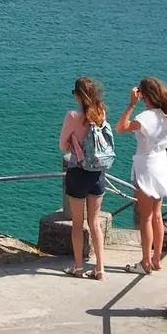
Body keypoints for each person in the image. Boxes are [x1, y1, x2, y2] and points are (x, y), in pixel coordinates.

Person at [116, 76, 167, 275]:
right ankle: (156, 259)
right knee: (157, 215)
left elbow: (120, 127)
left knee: (145, 218)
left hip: (147, 168)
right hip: (162, 167)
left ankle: (145, 262)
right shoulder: (165, 116)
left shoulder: (145, 117)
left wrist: (131, 104)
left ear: (143, 94)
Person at [58, 77, 111, 279]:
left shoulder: (73, 116)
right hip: (97, 174)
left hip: (78, 173)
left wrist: (72, 142)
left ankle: (78, 267)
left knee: (78, 224)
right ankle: (100, 269)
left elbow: (63, 146)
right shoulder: (100, 113)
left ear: (78, 95)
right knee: (95, 223)